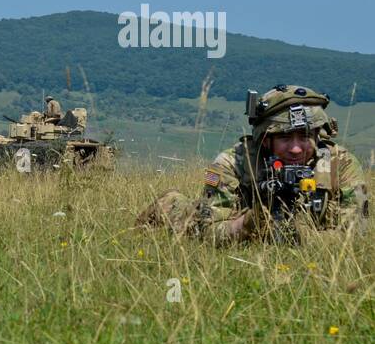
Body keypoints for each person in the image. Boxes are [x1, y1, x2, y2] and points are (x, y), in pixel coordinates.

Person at [138, 84, 368, 244]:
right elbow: (207, 231)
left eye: (305, 136)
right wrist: (247, 225)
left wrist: (301, 236)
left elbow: (356, 235)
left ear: (318, 135)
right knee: (185, 219)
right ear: (266, 140)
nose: (296, 148)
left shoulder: (341, 164)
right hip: (236, 224)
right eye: (286, 138)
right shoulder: (234, 162)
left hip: (307, 237)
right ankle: (168, 204)